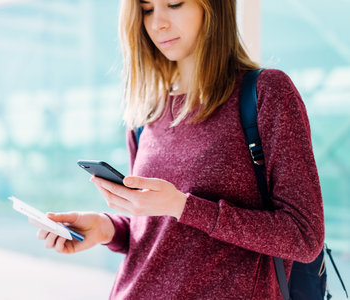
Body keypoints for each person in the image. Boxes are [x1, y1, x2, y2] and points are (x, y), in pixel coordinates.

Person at [36, 0, 325, 299]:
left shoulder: (267, 92)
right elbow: (156, 234)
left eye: (173, 4)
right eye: (147, 10)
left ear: (212, 8)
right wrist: (106, 228)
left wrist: (183, 206)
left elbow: (304, 237)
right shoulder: (147, 114)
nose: (157, 23)